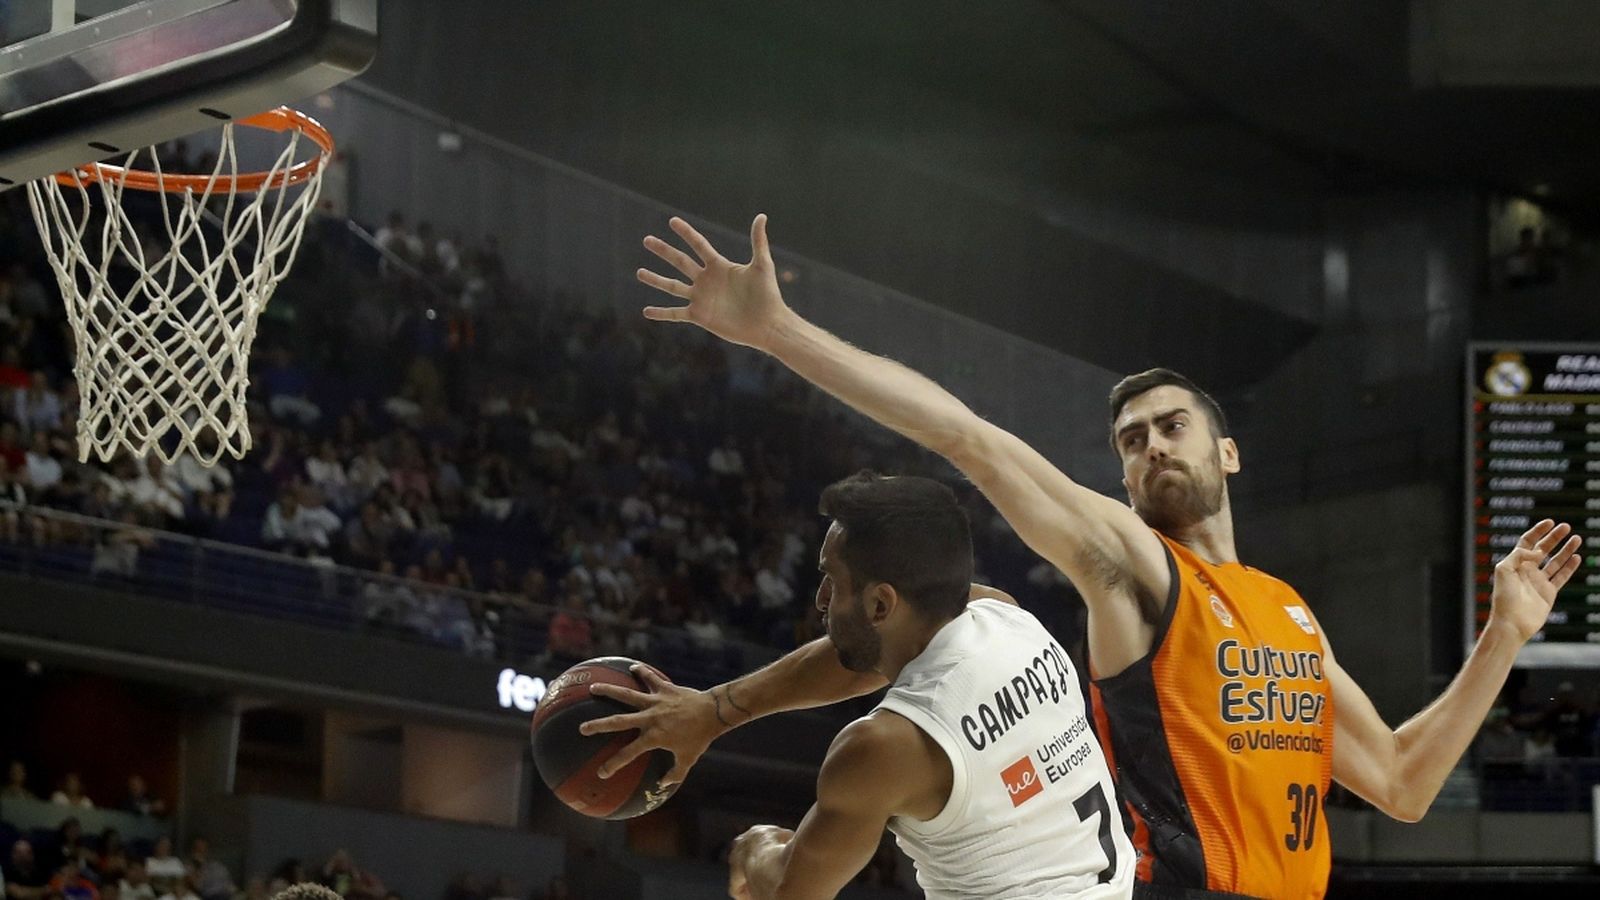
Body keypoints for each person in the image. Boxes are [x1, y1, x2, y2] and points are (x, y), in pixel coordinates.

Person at [611, 214, 1584, 899]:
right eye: (1131, 439)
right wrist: (780, 332)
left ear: (1227, 453)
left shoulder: (1285, 611)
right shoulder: (1137, 567)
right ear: (1120, 478)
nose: (1152, 446)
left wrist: (1504, 633)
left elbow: (1405, 784)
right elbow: (969, 438)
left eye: (1172, 426)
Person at [592, 472, 1132, 898]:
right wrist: (713, 711)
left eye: (832, 579)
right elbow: (860, 657)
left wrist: (754, 848)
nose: (820, 599)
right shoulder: (1010, 619)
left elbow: (791, 891)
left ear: (880, 604)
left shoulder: (882, 746)